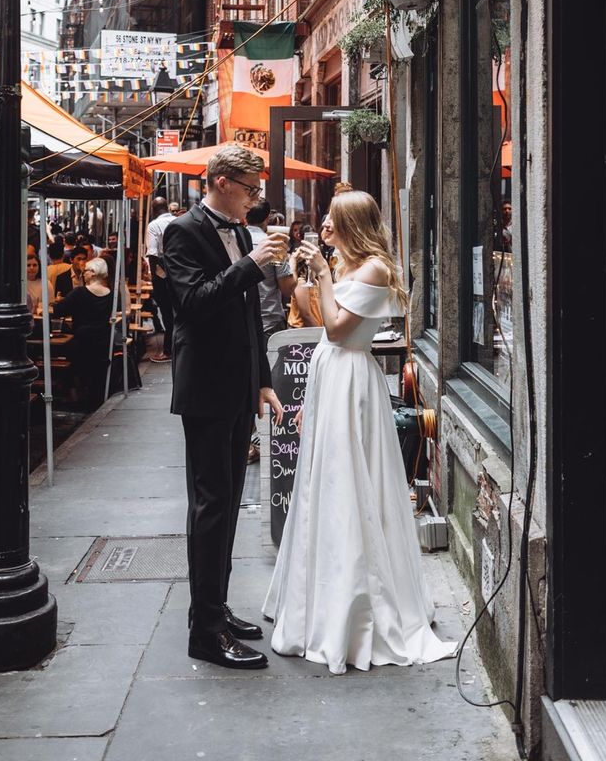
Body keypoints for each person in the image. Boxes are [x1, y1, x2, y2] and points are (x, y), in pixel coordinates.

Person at [263, 191, 457, 674]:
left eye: (331, 219)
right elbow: (312, 315)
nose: (323, 225)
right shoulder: (347, 265)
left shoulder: (371, 269)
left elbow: (334, 330)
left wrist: (324, 276)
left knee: (350, 483)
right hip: (331, 378)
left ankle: (358, 607)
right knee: (323, 486)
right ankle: (318, 598)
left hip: (351, 380)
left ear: (351, 224)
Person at [162, 143, 285, 671]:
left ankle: (214, 607)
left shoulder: (238, 230)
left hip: (238, 385)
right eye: (250, 188)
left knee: (230, 501)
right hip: (206, 387)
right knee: (211, 505)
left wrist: (262, 379)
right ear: (219, 180)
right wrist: (254, 264)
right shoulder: (180, 231)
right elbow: (191, 304)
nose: (255, 199)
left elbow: (247, 314)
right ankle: (205, 632)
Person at [53, 257, 113, 406]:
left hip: (82, 340)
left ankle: (72, 394)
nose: (83, 274)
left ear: (93, 273)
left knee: (67, 359)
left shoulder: (79, 292)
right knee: (96, 375)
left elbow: (59, 311)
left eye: (85, 271)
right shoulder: (111, 294)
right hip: (103, 340)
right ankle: (95, 401)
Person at [245, 198, 295, 347]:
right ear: (267, 218)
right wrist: (293, 263)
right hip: (269, 322)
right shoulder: (274, 245)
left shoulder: (233, 240)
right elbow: (287, 288)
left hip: (240, 321)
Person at [145, 196, 177, 362]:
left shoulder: (153, 225)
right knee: (179, 310)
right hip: (181, 271)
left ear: (154, 210)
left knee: (166, 312)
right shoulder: (179, 221)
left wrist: (154, 277)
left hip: (163, 273)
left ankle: (168, 350)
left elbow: (152, 254)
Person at [286, 253, 322, 328]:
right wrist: (319, 333)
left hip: (316, 328)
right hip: (301, 330)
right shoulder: (301, 283)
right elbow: (306, 315)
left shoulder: (316, 282)